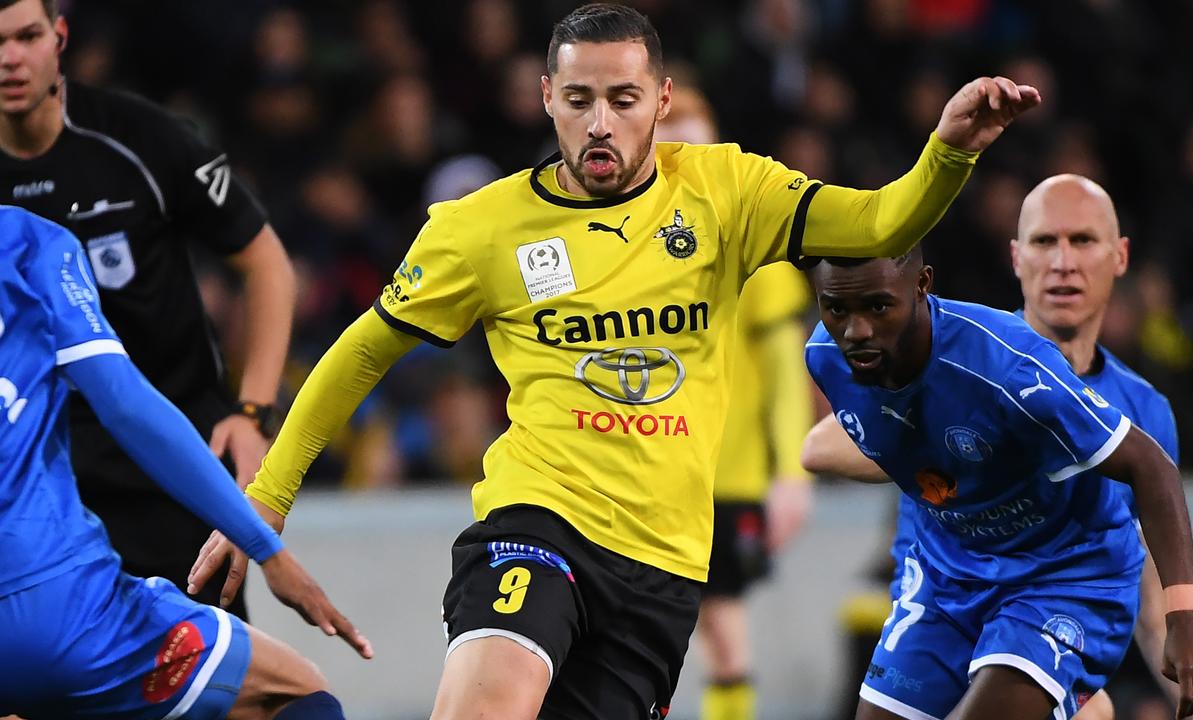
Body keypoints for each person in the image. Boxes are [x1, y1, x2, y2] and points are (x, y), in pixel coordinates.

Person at [190, 4, 1040, 718]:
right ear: (547, 97)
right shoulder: (479, 228)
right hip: (538, 520)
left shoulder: (725, 192)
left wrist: (949, 151)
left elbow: (879, 224)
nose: (602, 122)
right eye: (582, 98)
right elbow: (362, 351)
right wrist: (267, 498)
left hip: (663, 566)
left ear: (662, 99)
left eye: (625, 98)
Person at [804, 174, 1193, 720]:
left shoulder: (1134, 409)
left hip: (1052, 598)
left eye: (1082, 241)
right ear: (1015, 257)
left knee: (1093, 714)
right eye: (1043, 241)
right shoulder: (910, 352)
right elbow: (820, 447)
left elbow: (1152, 591)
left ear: (1120, 257)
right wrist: (953, 459)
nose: (1062, 262)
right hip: (948, 591)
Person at [0, 206, 370, 720]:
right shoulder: (25, 243)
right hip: (59, 608)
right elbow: (127, 404)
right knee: (292, 692)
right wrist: (267, 550)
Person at [0, 0, 295, 617]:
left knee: (215, 694)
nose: (9, 59)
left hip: (172, 460)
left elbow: (265, 263)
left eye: (26, 36)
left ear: (59, 37)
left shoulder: (141, 137)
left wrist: (252, 411)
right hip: (37, 481)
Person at [655, 84, 815, 720]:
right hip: (646, 474)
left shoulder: (759, 262)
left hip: (726, 477)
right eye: (670, 154)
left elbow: (785, 377)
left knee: (720, 627)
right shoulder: (625, 260)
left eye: (696, 152)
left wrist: (792, 476)